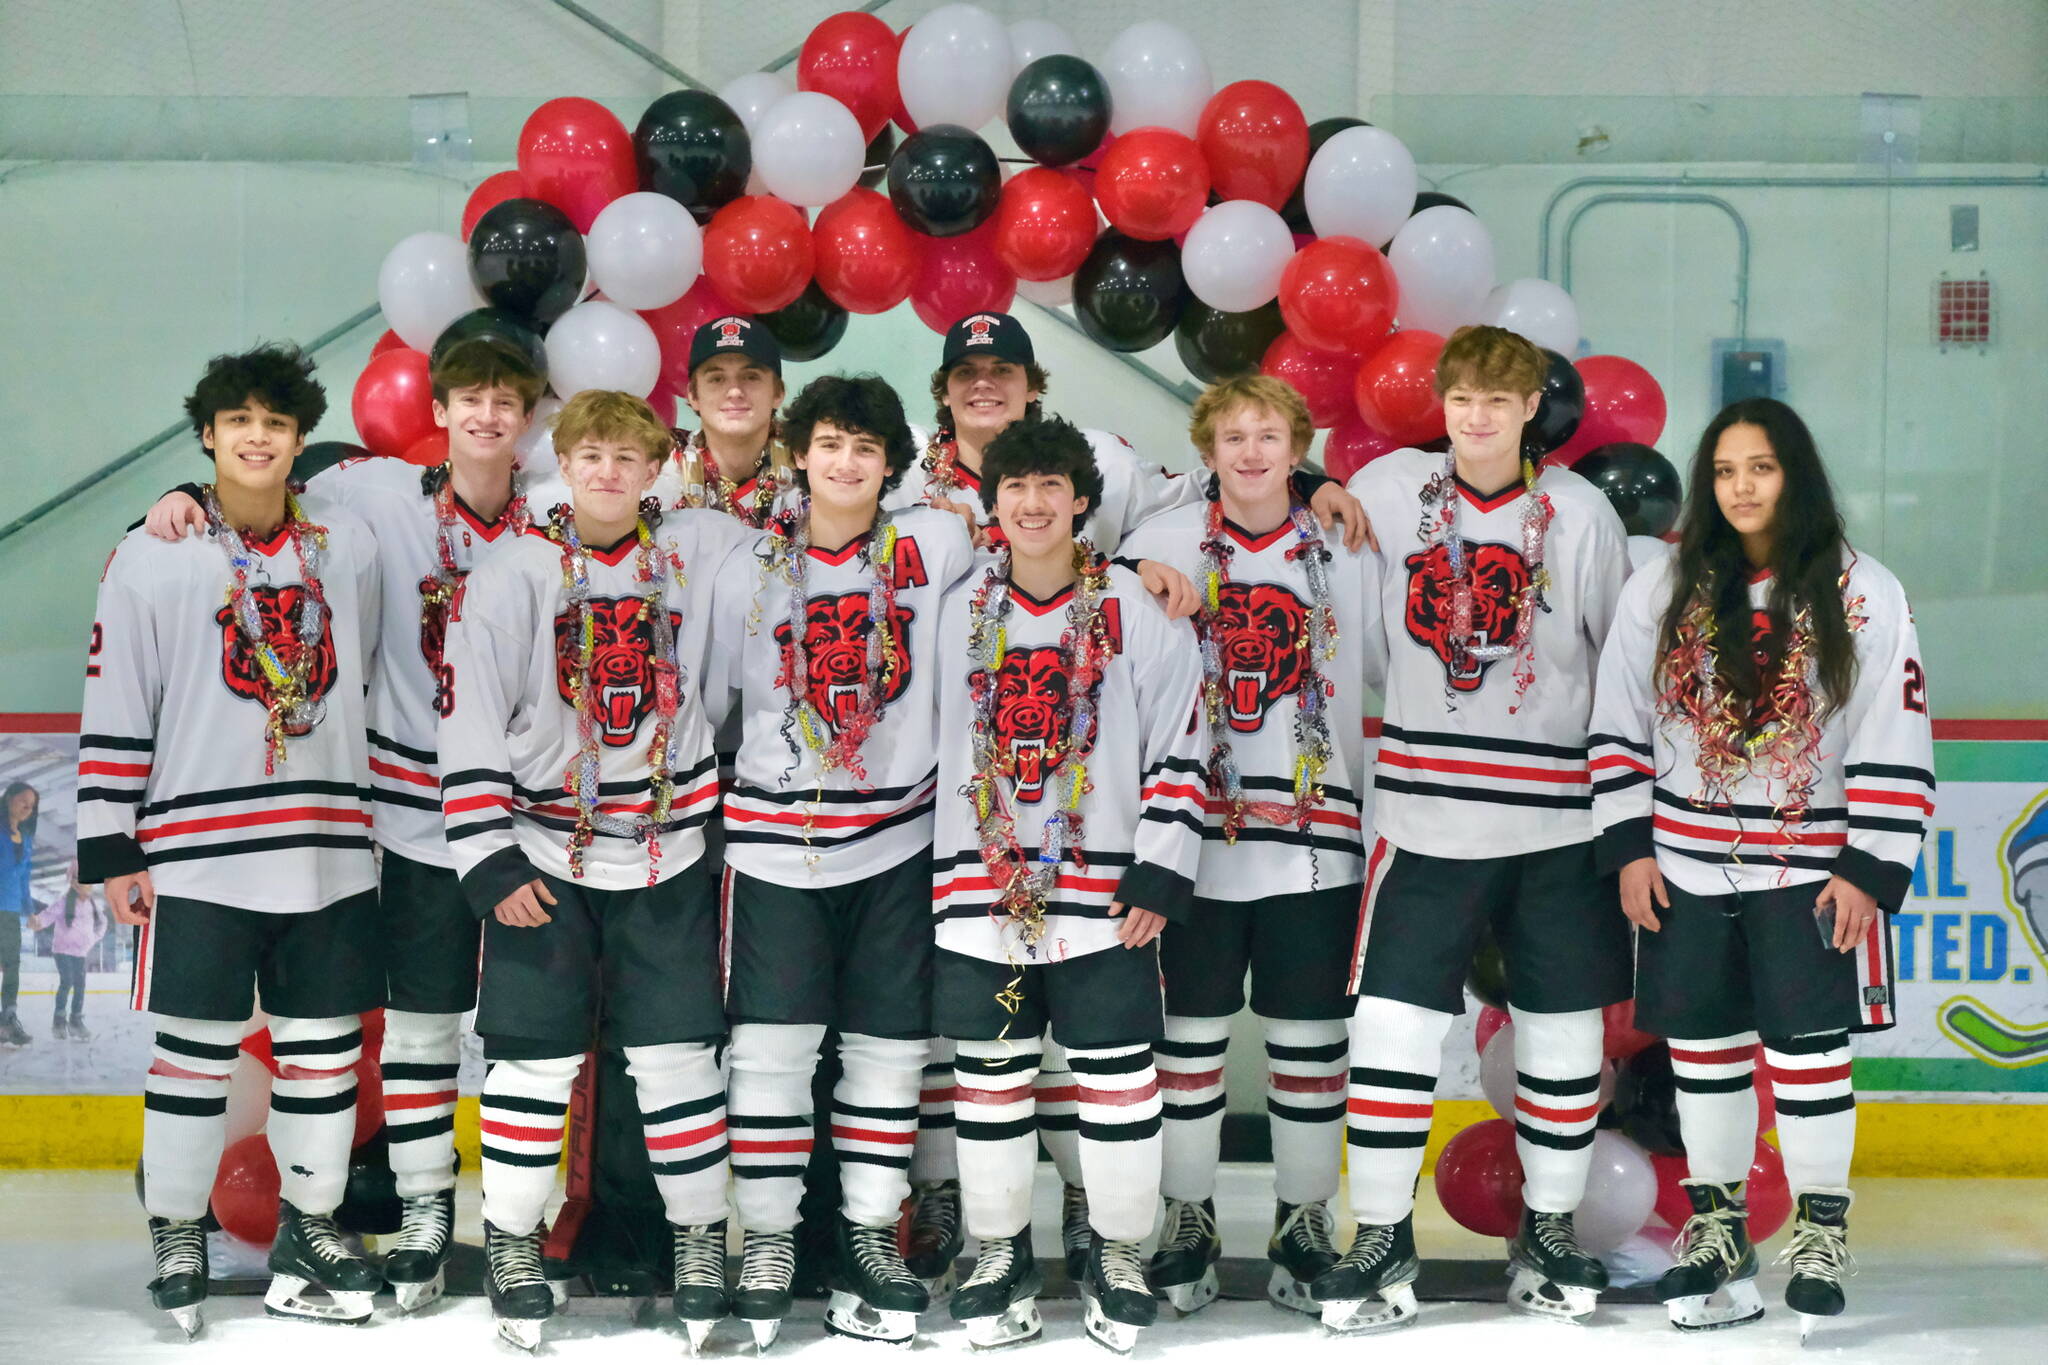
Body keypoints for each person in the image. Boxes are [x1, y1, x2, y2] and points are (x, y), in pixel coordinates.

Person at [892, 310, 1373, 1285]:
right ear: (943, 390)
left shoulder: (1113, 479)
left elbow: (1215, 477)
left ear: (1034, 384)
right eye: (966, 374)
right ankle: (972, 1222)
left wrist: (1308, 479)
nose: (984, 385)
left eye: (1003, 371)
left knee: (1118, 1057)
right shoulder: (904, 489)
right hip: (967, 852)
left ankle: (1113, 1222)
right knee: (968, 1057)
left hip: (1121, 837)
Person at [140, 334, 547, 1311]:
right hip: (412, 819)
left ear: (530, 419)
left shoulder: (563, 513)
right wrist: (177, 500)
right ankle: (421, 1212)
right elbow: (259, 486)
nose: (488, 416)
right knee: (418, 1029)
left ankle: (516, 1230)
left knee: (529, 1039)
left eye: (507, 401)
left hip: (530, 827)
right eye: (468, 398)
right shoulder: (373, 493)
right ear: (439, 411)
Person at [1590, 397, 1933, 1339]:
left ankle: (1823, 1228)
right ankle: (1717, 1228)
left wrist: (1867, 866)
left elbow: (1894, 733)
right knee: (1703, 1058)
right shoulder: (1662, 589)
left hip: (1813, 871)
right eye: (1727, 469)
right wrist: (1627, 844)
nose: (1742, 487)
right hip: (1685, 867)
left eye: (1763, 468)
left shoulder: (1865, 590)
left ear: (1797, 476)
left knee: (1810, 1056)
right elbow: (1617, 724)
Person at [1321, 325, 1632, 1332]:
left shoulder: (1580, 516)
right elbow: (1357, 632)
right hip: (1420, 818)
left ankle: (1548, 1227)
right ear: (1442, 401)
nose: (1478, 416)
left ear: (1531, 405)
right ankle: (1377, 1230)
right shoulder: (1386, 495)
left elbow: (1614, 670)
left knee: (1560, 1030)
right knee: (1388, 1031)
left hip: (1555, 828)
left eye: (1499, 400)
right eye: (1462, 398)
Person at [78, 344, 385, 1336]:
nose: (257, 436)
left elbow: (372, 678)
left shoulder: (347, 548)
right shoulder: (153, 553)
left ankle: (311, 1224)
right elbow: (118, 695)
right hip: (201, 845)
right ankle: (175, 1227)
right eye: (237, 420)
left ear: (299, 442)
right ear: (206, 435)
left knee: (324, 1052)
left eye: (276, 422)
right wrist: (111, 843)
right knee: (196, 1052)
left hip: (331, 841)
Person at [437, 388, 752, 1352]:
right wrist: (484, 855)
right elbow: (472, 711)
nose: (608, 472)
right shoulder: (512, 573)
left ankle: (700, 1239)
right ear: (562, 466)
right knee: (532, 1062)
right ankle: (513, 1242)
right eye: (591, 455)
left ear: (657, 467)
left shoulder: (698, 566)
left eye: (627, 457)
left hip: (665, 851)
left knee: (677, 1063)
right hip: (539, 851)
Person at [709, 374, 975, 1348]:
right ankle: (770, 1241)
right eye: (829, 443)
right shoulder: (746, 568)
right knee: (772, 1060)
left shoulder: (934, 546)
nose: (846, 462)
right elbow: (707, 707)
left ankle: (867, 1235)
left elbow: (1048, 546)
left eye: (865, 447)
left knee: (885, 1054)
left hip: (897, 845)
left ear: (891, 465)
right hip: (777, 849)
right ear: (799, 452)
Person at [929, 416, 1205, 1353]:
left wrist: (1162, 871)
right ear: (991, 501)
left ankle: (1118, 1254)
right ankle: (997, 1250)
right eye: (1016, 488)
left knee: (1119, 1080)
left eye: (1052, 486)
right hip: (983, 902)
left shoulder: (1134, 607)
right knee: (993, 1080)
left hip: (1106, 902)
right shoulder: (955, 607)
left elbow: (1182, 745)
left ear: (1083, 499)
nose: (1034, 503)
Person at [1119, 376, 1382, 1316]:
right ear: (1207, 447)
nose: (1251, 451)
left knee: (1310, 1042)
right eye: (1233, 435)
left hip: (1317, 840)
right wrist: (1126, 575)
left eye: (1270, 435)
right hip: (1192, 842)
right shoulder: (1157, 543)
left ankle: (1301, 1219)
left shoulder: (1348, 542)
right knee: (1184, 1044)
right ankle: (1185, 1218)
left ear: (1298, 446)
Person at [31, 860, 108, 1042]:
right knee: (67, 982)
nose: (86, 885)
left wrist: (93, 938)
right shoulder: (65, 902)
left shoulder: (93, 905)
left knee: (80, 986)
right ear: (73, 883)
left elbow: (102, 922)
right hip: (62, 950)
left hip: (81, 952)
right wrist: (37, 922)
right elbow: (49, 914)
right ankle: (59, 1021)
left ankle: (75, 1021)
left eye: (88, 882)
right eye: (81, 881)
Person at [0, 781, 37, 1047]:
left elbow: (24, 880)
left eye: (32, 805)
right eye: (23, 800)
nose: (27, 807)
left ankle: (8, 1020)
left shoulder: (26, 839)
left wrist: (31, 912)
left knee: (12, 965)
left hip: (11, 912)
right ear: (9, 798)